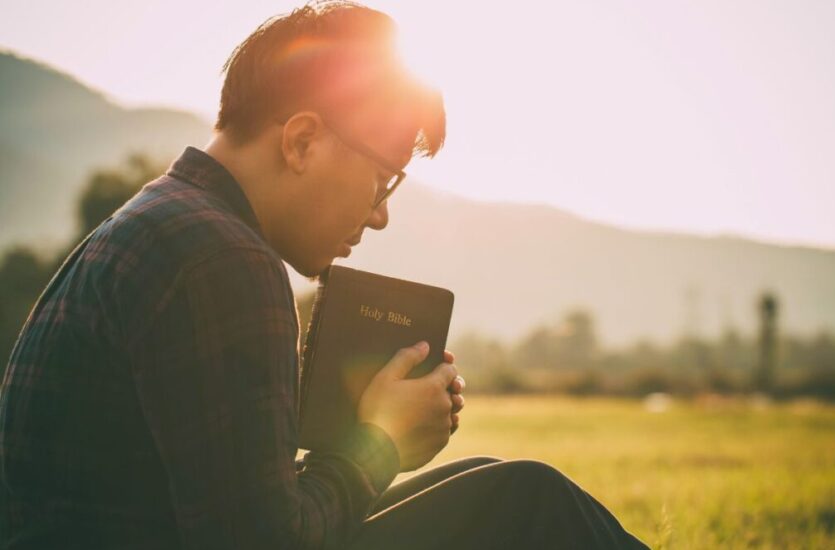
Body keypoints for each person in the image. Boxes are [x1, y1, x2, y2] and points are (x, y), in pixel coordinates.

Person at [0, 2, 648, 549]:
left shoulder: (165, 221)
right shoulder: (221, 259)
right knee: (525, 501)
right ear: (303, 141)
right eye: (382, 178)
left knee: (491, 477)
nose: (382, 214)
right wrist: (380, 442)